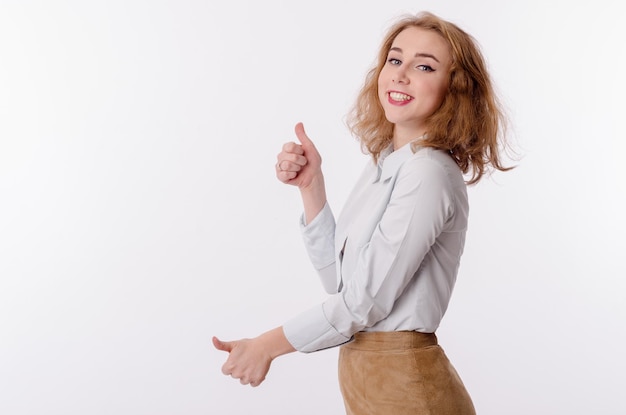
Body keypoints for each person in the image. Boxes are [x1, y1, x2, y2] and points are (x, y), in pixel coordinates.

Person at [213, 11, 511, 414]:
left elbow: (363, 301)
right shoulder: (387, 164)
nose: (401, 74)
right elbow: (341, 284)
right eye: (394, 59)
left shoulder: (428, 173)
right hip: (370, 378)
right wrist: (311, 189)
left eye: (424, 66)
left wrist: (267, 345)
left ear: (454, 88)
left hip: (407, 385)